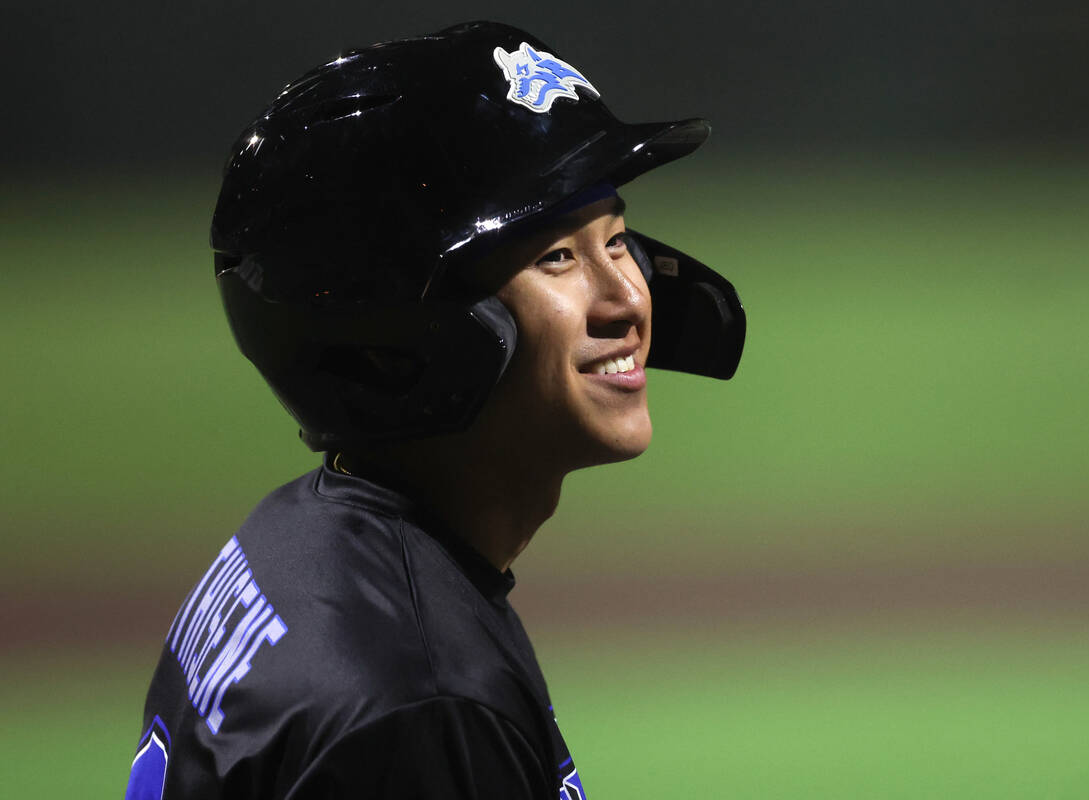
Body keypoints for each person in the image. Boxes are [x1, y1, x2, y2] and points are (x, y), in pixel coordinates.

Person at [125, 20, 744, 800]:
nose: (627, 298)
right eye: (557, 256)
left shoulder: (304, 545)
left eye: (617, 240)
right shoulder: (419, 699)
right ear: (399, 331)